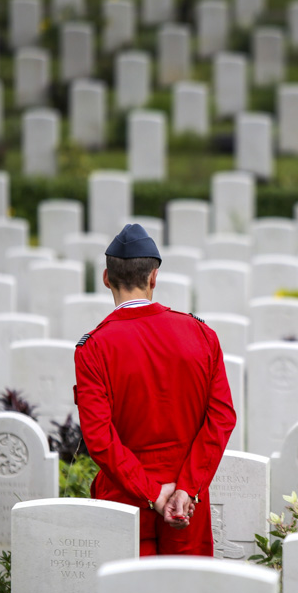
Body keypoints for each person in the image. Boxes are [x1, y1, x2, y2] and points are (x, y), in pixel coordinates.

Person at [73, 223, 237, 556]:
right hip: (187, 502)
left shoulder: (93, 348)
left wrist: (153, 493)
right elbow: (221, 418)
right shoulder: (201, 335)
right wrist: (185, 489)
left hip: (124, 499)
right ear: (154, 277)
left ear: (106, 278)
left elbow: (100, 439)